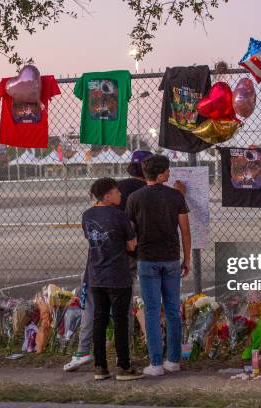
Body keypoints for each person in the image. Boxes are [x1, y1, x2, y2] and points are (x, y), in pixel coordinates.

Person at [63, 150, 152, 372]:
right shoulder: (144, 192)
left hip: (97, 265)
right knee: (123, 310)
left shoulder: (101, 201)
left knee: (96, 311)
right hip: (123, 261)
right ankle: (125, 358)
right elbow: (133, 239)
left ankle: (90, 357)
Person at [126, 154, 191, 376]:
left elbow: (130, 232)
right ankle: (173, 360)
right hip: (171, 258)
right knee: (173, 310)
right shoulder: (175, 197)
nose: (169, 173)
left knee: (152, 311)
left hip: (146, 259)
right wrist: (188, 258)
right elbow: (184, 229)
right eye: (168, 170)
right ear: (162, 173)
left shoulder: (134, 198)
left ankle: (155, 363)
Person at [81, 177, 143, 381]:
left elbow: (92, 239)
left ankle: (100, 367)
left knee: (99, 319)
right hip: (117, 274)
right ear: (107, 195)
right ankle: (123, 366)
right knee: (120, 320)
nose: (120, 194)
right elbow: (131, 245)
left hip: (96, 275)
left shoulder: (87, 215)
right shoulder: (120, 216)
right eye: (116, 192)